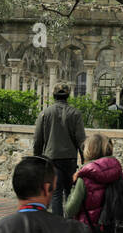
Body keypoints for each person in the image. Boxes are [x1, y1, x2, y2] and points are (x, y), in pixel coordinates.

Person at [33, 84, 86, 217]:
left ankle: (58, 224)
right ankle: (71, 221)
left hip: (51, 159)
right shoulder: (75, 113)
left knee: (56, 194)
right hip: (70, 159)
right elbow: (81, 140)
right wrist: (85, 159)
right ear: (68, 96)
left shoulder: (45, 113)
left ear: (54, 95)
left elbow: (38, 140)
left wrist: (37, 159)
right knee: (70, 193)